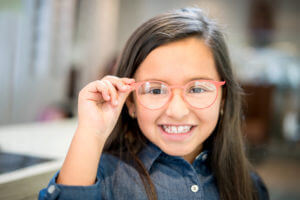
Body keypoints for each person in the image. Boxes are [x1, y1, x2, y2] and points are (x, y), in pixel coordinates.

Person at [39, 7, 269, 200]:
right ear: (130, 102)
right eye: (156, 90)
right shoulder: (103, 177)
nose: (177, 111)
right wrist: (91, 131)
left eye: (197, 88)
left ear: (223, 98)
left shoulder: (248, 185)